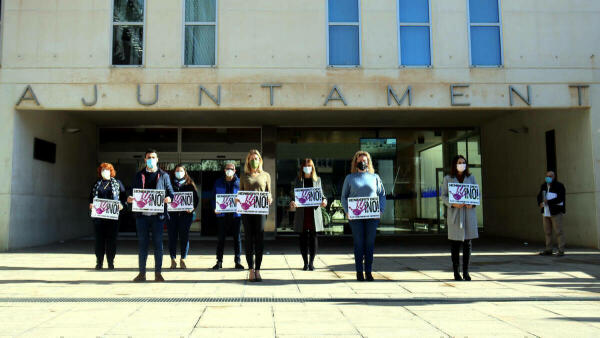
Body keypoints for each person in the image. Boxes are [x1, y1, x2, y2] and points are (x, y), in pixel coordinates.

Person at [127, 149, 175, 282]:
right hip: (142, 216)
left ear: (157, 159)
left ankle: (158, 273)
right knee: (142, 245)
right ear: (145, 160)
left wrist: (169, 199)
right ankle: (142, 273)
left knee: (158, 245)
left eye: (153, 157)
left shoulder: (164, 176)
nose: (151, 159)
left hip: (157, 217)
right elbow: (131, 191)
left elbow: (171, 193)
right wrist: (129, 198)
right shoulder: (139, 175)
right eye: (149, 157)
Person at [341, 151, 386, 281]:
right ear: (356, 163)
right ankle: (359, 272)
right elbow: (344, 196)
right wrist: (347, 211)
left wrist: (381, 210)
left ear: (368, 162)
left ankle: (369, 271)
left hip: (372, 217)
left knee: (370, 244)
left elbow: (382, 195)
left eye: (365, 161)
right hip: (356, 217)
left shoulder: (375, 177)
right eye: (360, 161)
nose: (362, 163)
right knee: (359, 243)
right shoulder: (349, 178)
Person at [441, 155, 478, 281]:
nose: (461, 164)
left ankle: (466, 271)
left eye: (463, 162)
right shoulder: (448, 179)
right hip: (455, 214)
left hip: (468, 214)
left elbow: (476, 195)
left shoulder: (471, 178)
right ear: (454, 164)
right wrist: (453, 204)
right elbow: (444, 196)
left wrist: (471, 203)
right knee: (455, 245)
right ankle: (456, 272)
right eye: (459, 162)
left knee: (468, 244)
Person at [238, 149, 272, 282]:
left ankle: (258, 269)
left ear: (260, 161)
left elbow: (269, 193)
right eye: (251, 159)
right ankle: (250, 269)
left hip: (261, 212)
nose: (254, 161)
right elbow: (240, 192)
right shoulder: (243, 176)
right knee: (248, 240)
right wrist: (237, 199)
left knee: (259, 240)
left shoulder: (266, 175)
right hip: (247, 213)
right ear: (248, 161)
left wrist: (269, 198)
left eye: (256, 158)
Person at [289, 158, 327, 271]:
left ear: (313, 168)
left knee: (313, 237)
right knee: (303, 237)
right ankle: (305, 263)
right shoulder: (298, 180)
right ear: (302, 168)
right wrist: (292, 202)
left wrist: (324, 201)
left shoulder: (318, 180)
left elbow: (322, 195)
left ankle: (311, 263)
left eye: (309, 166)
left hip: (314, 213)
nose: (307, 168)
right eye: (305, 166)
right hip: (302, 213)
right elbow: (294, 195)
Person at [88, 163, 126, 270]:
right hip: (99, 218)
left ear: (111, 171)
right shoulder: (97, 183)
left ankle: (110, 262)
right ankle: (99, 262)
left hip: (113, 218)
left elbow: (123, 197)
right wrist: (91, 204)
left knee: (111, 241)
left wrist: (121, 205)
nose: (104, 171)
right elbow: (91, 197)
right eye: (102, 169)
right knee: (99, 241)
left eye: (107, 169)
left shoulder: (117, 183)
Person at [212, 162, 244, 270]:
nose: (229, 170)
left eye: (231, 169)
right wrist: (214, 208)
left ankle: (238, 261)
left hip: (236, 215)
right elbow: (213, 198)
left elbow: (244, 198)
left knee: (237, 238)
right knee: (221, 238)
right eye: (227, 169)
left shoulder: (240, 183)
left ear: (235, 171)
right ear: (224, 170)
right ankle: (219, 261)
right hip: (222, 214)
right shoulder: (218, 182)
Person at [167, 164, 199, 270]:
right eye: (177, 171)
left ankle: (183, 258)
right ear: (174, 172)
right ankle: (173, 259)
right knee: (172, 237)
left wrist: (192, 208)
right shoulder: (170, 184)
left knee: (184, 237)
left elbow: (196, 199)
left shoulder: (190, 184)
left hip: (186, 216)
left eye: (181, 171)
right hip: (172, 215)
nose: (179, 172)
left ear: (185, 172)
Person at [536, 171, 566, 256]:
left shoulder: (559, 186)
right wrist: (540, 203)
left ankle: (561, 250)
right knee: (547, 232)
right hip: (545, 212)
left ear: (554, 177)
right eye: (547, 176)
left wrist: (548, 202)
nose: (548, 177)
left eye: (550, 176)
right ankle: (548, 249)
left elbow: (560, 198)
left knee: (559, 231)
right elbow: (539, 196)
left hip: (555, 212)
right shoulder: (544, 186)